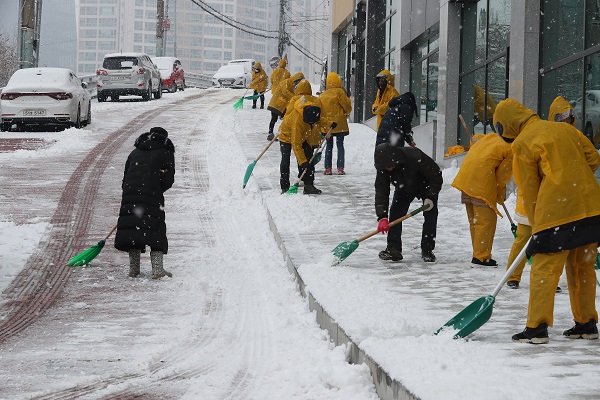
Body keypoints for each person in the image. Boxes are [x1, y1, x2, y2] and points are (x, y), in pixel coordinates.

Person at [492, 98, 600, 344]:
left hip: (557, 214)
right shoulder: (565, 129)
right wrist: (571, 178)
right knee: (582, 267)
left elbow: (529, 190)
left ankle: (536, 328)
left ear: (506, 126)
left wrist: (538, 224)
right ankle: (586, 324)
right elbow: (593, 158)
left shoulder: (523, 143)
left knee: (544, 269)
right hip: (591, 208)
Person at [505, 96, 596, 290]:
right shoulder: (542, 136)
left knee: (553, 243)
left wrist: (567, 180)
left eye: (568, 117)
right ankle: (513, 275)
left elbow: (592, 160)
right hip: (534, 201)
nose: (565, 121)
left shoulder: (572, 137)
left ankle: (548, 280)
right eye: (561, 117)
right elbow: (527, 177)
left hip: (555, 204)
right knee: (524, 238)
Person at [114, 127, 175, 279]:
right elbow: (169, 180)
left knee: (133, 229)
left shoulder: (134, 152)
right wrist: (155, 188)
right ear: (164, 138)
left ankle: (134, 269)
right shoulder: (165, 152)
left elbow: (125, 177)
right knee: (156, 229)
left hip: (130, 193)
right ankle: (157, 270)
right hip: (151, 193)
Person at [451, 132, 513, 267]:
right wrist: (500, 195)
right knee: (486, 222)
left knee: (474, 221)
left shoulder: (492, 137)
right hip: (481, 186)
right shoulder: (511, 148)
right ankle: (481, 257)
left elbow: (477, 137)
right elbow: (501, 178)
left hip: (466, 181)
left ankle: (478, 253)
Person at [374, 143, 442, 262]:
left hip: (425, 186)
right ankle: (393, 249)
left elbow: (436, 175)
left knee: (431, 214)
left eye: (390, 165)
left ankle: (427, 249)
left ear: (395, 159)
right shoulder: (383, 168)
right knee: (395, 213)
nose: (388, 168)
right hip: (404, 188)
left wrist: (430, 197)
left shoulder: (415, 156)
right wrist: (382, 216)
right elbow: (381, 191)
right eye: (385, 167)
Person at [286, 84, 335, 195]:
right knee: (304, 160)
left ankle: (309, 185)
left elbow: (320, 118)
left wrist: (330, 124)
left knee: (310, 160)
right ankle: (292, 183)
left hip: (307, 136)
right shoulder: (297, 121)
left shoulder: (310, 110)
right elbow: (296, 144)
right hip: (292, 135)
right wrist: (303, 162)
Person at [277, 79, 313, 193]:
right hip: (288, 134)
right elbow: (296, 143)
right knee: (297, 159)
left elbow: (318, 118)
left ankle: (287, 185)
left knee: (287, 159)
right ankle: (289, 184)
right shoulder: (312, 101)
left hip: (295, 132)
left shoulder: (294, 100)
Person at [319, 72, 352, 175]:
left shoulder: (323, 95)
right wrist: (346, 113)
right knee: (340, 145)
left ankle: (328, 168)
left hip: (328, 125)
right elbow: (346, 105)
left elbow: (321, 110)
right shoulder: (340, 92)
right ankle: (340, 168)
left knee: (329, 146)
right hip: (340, 124)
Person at [267, 71, 304, 141]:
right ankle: (270, 133)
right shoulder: (286, 82)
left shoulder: (292, 86)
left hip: (282, 105)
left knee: (285, 118)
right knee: (274, 119)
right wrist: (295, 97)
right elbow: (285, 92)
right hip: (275, 103)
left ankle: (283, 133)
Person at [266, 57, 291, 138]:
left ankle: (270, 132)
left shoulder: (275, 71)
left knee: (273, 117)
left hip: (276, 92)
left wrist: (274, 84)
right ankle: (282, 129)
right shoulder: (286, 73)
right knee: (284, 114)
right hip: (282, 96)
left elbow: (271, 78)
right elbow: (288, 84)